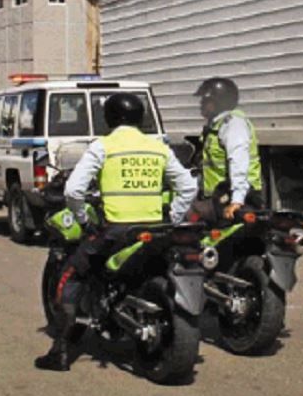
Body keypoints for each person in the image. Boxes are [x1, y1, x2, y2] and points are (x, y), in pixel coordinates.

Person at [35, 92, 198, 371]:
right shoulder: (157, 147)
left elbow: (74, 189)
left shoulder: (104, 146)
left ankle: (60, 352)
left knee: (70, 276)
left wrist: (83, 218)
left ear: (110, 118)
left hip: (116, 232)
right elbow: (188, 186)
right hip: (156, 229)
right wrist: (173, 215)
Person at [194, 77, 263, 220]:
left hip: (234, 198)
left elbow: (238, 161)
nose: (201, 104)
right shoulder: (216, 125)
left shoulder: (232, 124)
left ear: (218, 102)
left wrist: (237, 201)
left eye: (206, 100)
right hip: (219, 196)